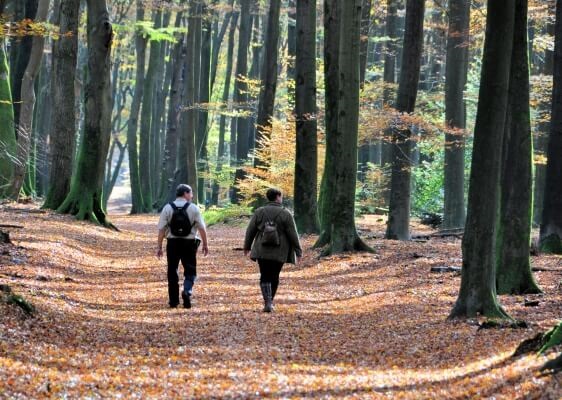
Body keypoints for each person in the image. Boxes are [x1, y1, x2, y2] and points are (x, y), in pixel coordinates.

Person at [244, 188, 302, 312]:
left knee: (264, 275)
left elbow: (250, 230)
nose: (281, 198)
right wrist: (298, 250)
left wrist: (247, 246)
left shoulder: (259, 212)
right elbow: (293, 233)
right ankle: (270, 302)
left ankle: (267, 302)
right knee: (274, 276)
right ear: (277, 197)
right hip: (279, 251)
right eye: (281, 196)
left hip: (261, 249)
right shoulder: (285, 213)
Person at [157, 184, 209, 308]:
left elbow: (161, 229)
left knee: (172, 271)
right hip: (189, 243)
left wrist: (159, 246)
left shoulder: (167, 208)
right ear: (185, 193)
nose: (192, 196)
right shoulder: (193, 208)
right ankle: (187, 290)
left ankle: (173, 301)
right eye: (191, 193)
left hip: (172, 243)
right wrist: (205, 244)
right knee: (190, 270)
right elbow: (202, 228)